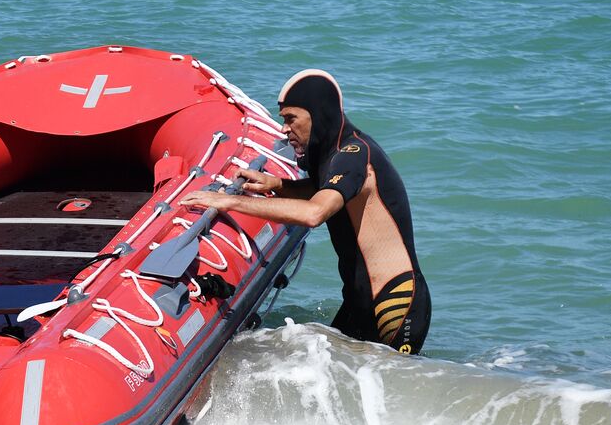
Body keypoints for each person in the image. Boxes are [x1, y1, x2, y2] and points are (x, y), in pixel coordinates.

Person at [181, 69, 430, 353]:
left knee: (385, 391)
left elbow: (315, 213)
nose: (284, 129)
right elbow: (325, 190)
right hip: (359, 301)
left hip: (394, 304)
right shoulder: (337, 154)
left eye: (291, 119)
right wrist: (278, 184)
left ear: (318, 114)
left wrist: (230, 202)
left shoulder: (354, 155)